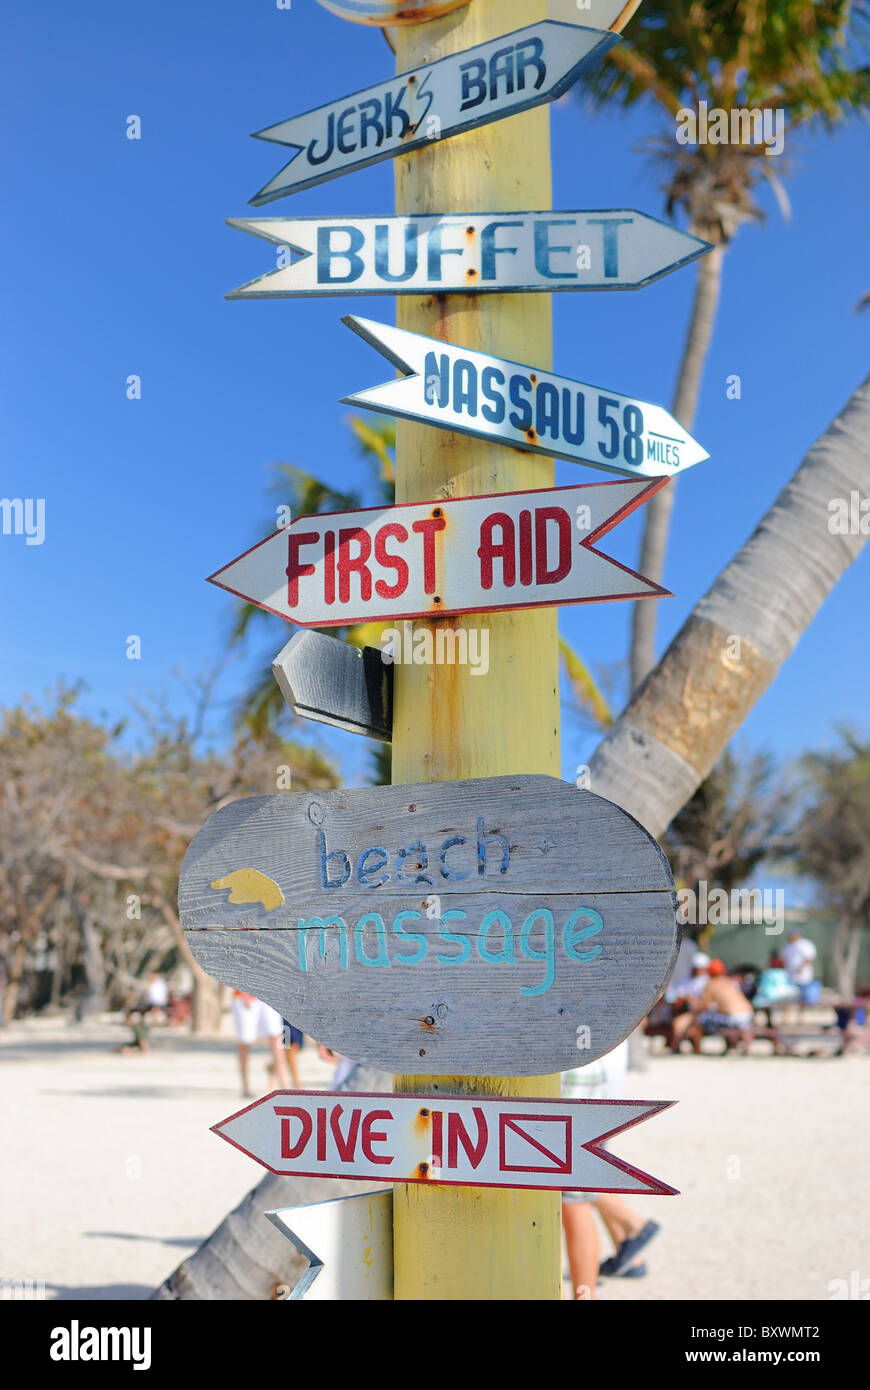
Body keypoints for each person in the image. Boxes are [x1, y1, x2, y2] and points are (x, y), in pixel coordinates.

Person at [561, 1041, 660, 1299]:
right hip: (596, 1065)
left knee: (572, 1197)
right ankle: (631, 1231)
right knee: (576, 1183)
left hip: (570, 1067)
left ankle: (632, 1227)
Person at [672, 959, 755, 1051]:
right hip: (748, 1014)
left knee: (699, 1019)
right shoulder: (729, 981)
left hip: (733, 1018)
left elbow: (703, 1006)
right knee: (718, 1016)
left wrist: (691, 1003)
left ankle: (698, 1049)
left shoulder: (711, 983)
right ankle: (733, 1047)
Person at [231, 991, 290, 1098]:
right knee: (245, 1041)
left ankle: (283, 1084)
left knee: (276, 1037)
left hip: (269, 995)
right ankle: (246, 1087)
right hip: (245, 995)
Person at [783, 930, 819, 1002]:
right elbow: (784, 959)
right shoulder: (787, 946)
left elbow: (809, 957)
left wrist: (801, 968)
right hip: (790, 975)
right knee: (790, 996)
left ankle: (802, 1012)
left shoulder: (805, 944)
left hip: (803, 976)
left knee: (804, 996)